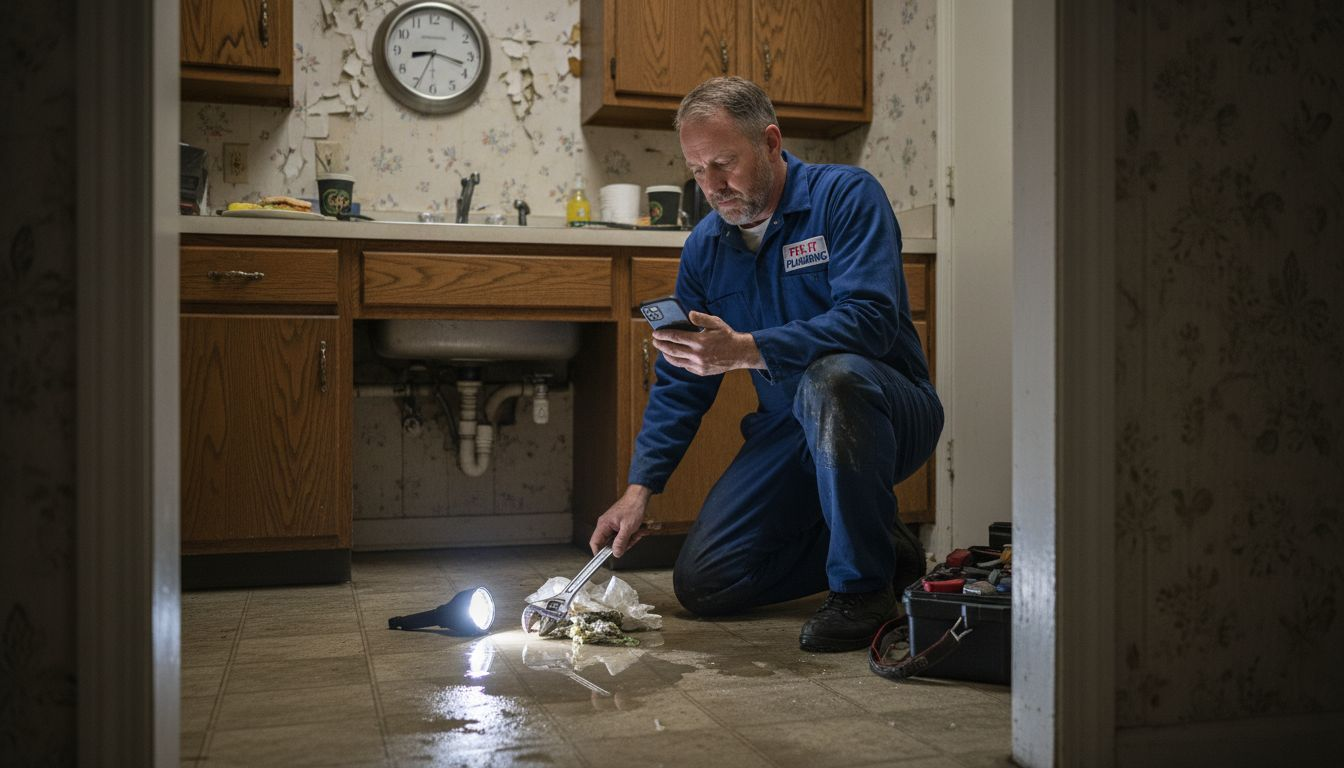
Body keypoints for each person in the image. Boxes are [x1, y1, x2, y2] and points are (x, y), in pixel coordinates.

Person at [589, 76, 944, 652]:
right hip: (789, 429)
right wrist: (639, 488)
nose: (710, 185)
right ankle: (888, 547)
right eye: (697, 169)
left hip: (887, 406)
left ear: (771, 142)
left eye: (724, 164)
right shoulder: (705, 246)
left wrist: (748, 348)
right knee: (706, 582)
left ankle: (862, 589)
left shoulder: (846, 196)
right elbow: (682, 378)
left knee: (832, 378)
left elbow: (872, 321)